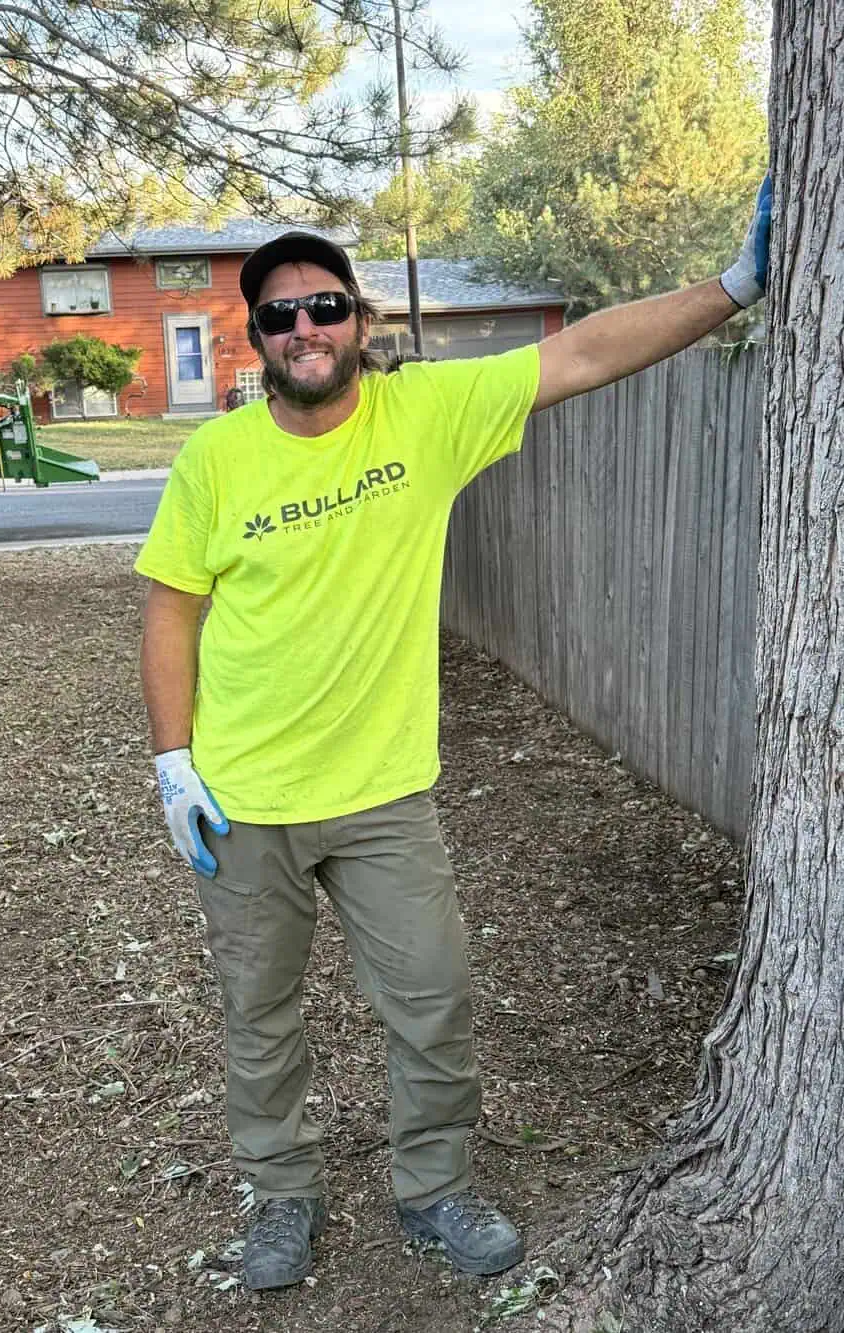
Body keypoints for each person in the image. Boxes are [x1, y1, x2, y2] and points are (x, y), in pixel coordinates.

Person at [135, 180, 771, 1291]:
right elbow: (170, 608)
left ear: (358, 323)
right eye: (278, 315)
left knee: (432, 997)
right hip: (242, 799)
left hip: (383, 794)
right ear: (257, 338)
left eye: (324, 306)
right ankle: (281, 1193)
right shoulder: (214, 461)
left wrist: (731, 286)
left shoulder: (424, 415)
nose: (304, 329)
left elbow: (579, 356)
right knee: (260, 1011)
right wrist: (172, 761)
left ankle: (430, 1187)